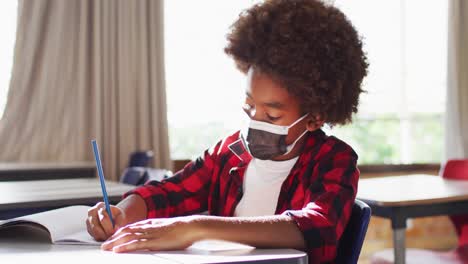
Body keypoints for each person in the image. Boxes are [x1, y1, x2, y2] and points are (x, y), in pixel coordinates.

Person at [86, 0, 368, 262]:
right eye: (249, 106)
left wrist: (196, 227)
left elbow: (316, 228)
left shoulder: (335, 160)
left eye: (272, 114)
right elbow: (170, 192)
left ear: (315, 117)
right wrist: (122, 212)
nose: (256, 120)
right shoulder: (228, 153)